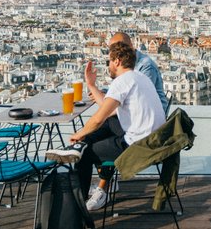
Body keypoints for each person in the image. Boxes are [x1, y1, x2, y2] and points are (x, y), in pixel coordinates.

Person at [56, 41, 166, 211]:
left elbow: (98, 118)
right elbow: (106, 110)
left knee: (85, 154)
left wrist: (79, 133)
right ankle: (78, 146)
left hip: (138, 146)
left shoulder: (122, 82)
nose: (108, 66)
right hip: (154, 140)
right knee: (109, 124)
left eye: (109, 61)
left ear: (117, 61)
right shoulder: (140, 77)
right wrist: (91, 85)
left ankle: (78, 209)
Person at [106, 32, 169, 115]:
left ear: (130, 47)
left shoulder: (146, 66)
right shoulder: (125, 64)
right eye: (112, 50)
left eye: (118, 48)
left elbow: (139, 99)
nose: (115, 53)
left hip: (150, 115)